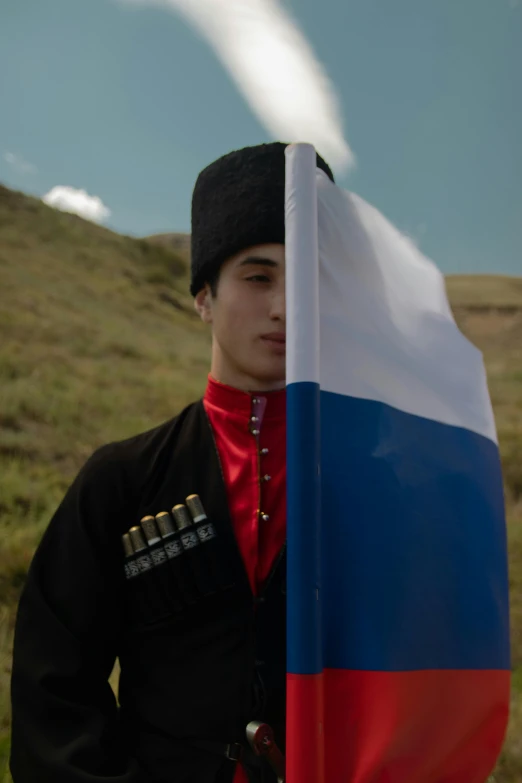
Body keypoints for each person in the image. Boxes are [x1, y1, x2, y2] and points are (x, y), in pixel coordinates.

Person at [9, 142, 335, 783]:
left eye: (307, 281)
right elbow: (54, 689)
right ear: (204, 297)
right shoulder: (121, 482)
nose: (284, 308)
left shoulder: (368, 482)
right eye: (259, 276)